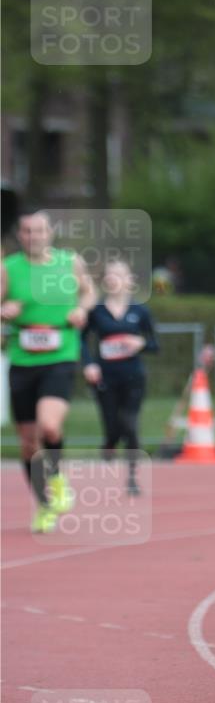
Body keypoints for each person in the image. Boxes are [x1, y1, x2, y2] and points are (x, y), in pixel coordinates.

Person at [1, 210, 96, 532]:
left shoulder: (69, 261)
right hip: (22, 358)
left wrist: (81, 311)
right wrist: (5, 311)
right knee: (28, 443)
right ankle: (43, 504)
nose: (33, 236)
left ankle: (56, 480)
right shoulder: (8, 268)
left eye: (39, 230)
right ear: (19, 235)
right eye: (27, 231)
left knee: (49, 427)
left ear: (50, 233)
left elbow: (88, 292)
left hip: (60, 353)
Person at [81, 259, 158, 495]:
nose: (114, 278)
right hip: (105, 378)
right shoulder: (97, 311)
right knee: (113, 428)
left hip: (133, 377)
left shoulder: (140, 311)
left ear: (130, 281)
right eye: (110, 274)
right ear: (105, 281)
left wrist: (140, 342)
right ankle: (108, 445)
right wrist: (89, 364)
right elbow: (81, 340)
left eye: (119, 274)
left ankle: (132, 478)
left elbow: (154, 344)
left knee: (131, 425)